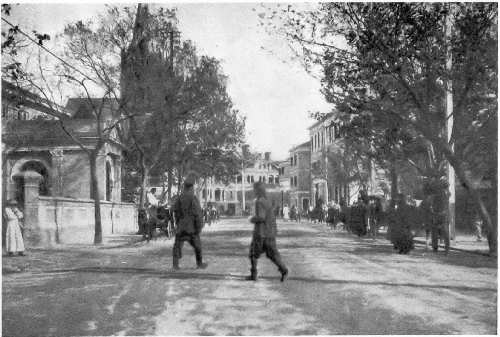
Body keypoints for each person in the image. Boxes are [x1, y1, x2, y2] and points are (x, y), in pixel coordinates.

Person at [247, 182, 288, 282]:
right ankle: (284, 270)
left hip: (261, 233)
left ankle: (254, 275)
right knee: (272, 254)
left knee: (253, 253)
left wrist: (252, 219)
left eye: (254, 189)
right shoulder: (267, 201)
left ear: (257, 190)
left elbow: (261, 217)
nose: (253, 191)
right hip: (270, 233)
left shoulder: (259, 201)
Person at [172, 173, 207, 270]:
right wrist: (199, 227)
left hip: (181, 227)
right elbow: (198, 214)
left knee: (177, 246)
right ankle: (199, 264)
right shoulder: (193, 198)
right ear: (191, 188)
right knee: (198, 246)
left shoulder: (179, 198)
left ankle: (175, 265)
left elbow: (174, 211)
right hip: (191, 228)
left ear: (184, 188)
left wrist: (177, 223)